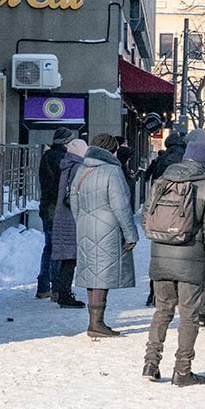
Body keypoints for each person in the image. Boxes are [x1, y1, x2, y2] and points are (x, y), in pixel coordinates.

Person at [143, 136, 205, 386]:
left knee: (162, 311)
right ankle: (182, 371)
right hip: (192, 262)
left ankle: (150, 363)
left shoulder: (162, 181)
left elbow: (147, 219)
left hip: (160, 259)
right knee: (189, 316)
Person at [72, 132, 139, 338]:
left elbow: (74, 200)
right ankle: (97, 324)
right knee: (103, 275)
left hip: (85, 226)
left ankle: (94, 322)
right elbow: (120, 206)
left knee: (93, 274)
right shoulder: (112, 171)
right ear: (112, 150)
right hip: (108, 228)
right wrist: (131, 234)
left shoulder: (82, 168)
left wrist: (82, 222)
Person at [36, 126, 75, 299]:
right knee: (58, 249)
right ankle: (56, 288)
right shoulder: (64, 159)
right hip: (58, 209)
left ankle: (43, 286)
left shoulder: (46, 156)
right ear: (66, 141)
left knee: (49, 247)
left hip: (46, 207)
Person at [50, 138, 88, 309]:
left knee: (67, 258)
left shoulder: (67, 165)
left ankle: (60, 291)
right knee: (70, 259)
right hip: (71, 217)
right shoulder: (78, 168)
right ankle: (64, 294)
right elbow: (76, 194)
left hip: (62, 215)